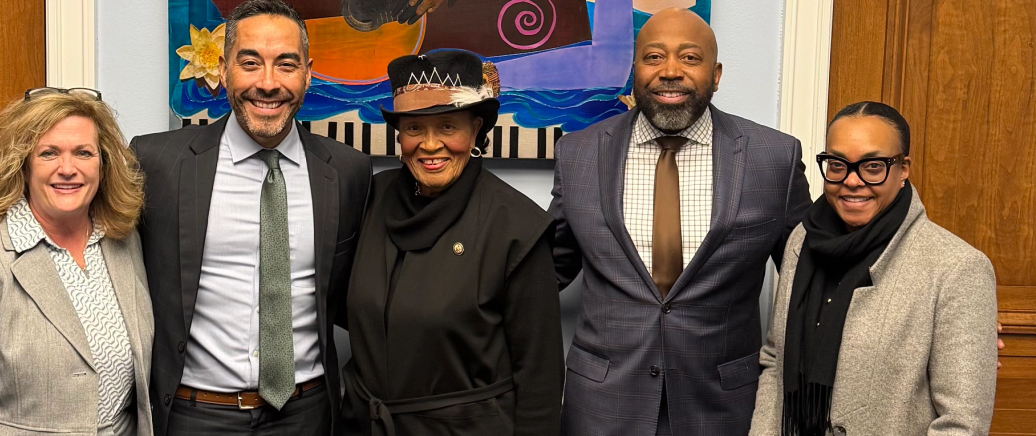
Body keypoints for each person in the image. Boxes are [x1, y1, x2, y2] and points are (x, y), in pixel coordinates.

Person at [549, 8, 812, 436]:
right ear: (633, 68)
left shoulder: (773, 158)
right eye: (654, 57)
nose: (670, 71)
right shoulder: (579, 154)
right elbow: (547, 272)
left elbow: (807, 285)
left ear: (717, 72)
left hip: (723, 406)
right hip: (603, 406)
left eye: (690, 58)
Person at [131, 1, 372, 435]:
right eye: (250, 63)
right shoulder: (157, 163)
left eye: (285, 65)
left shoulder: (348, 171)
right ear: (223, 70)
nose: (268, 83)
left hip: (306, 414)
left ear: (307, 73)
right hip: (194, 414)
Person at [338, 49, 564, 436]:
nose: (429, 145)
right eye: (414, 128)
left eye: (447, 127)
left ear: (476, 129)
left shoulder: (517, 226)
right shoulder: (369, 198)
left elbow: (539, 375)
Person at [750, 102, 998, 436]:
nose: (852, 181)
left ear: (903, 169)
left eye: (872, 166)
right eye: (837, 165)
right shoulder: (801, 242)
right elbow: (775, 360)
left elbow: (962, 423)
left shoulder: (956, 268)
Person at [0, 88, 153, 435]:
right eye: (49, 153)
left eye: (83, 153)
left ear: (103, 165)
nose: (67, 169)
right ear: (23, 165)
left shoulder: (124, 242)